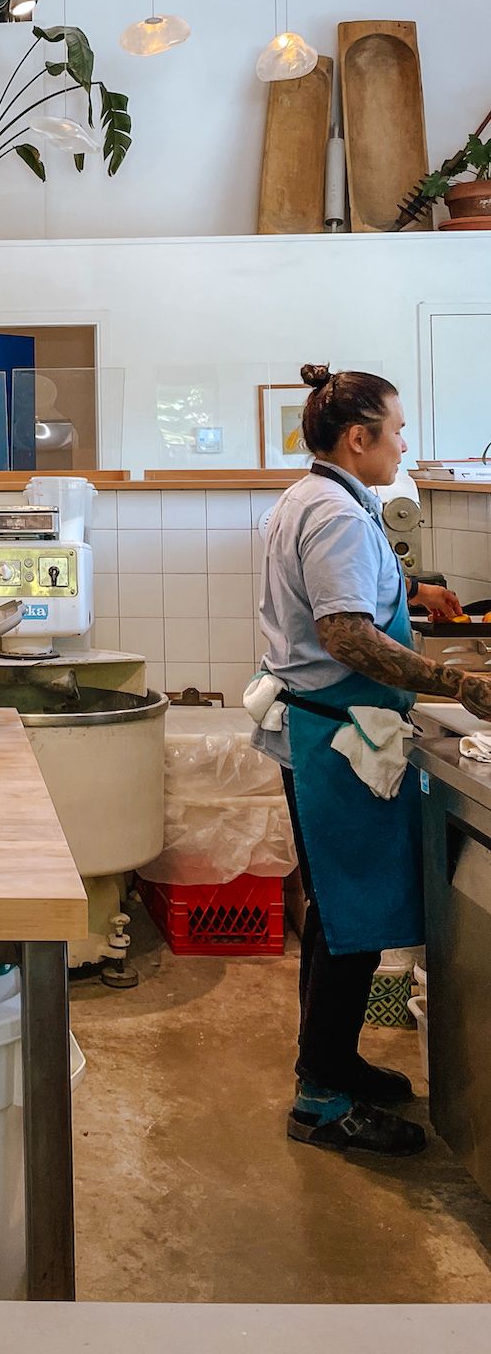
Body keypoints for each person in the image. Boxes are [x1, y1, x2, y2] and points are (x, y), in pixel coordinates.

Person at [252, 364, 491, 1158]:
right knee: (351, 926)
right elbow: (346, 634)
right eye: (395, 430)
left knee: (336, 918)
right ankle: (320, 1102)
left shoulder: (315, 497)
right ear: (358, 438)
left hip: (328, 730)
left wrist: (416, 588)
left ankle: (335, 1064)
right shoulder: (338, 515)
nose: (403, 445)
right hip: (340, 739)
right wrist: (457, 682)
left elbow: (349, 596)